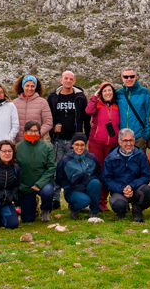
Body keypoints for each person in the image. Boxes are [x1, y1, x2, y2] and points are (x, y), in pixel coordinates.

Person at [47, 71, 90, 209]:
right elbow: (48, 117)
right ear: (61, 80)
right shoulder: (53, 97)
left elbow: (86, 118)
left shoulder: (80, 97)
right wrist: (53, 128)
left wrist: (86, 137)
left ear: (74, 81)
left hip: (75, 141)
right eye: (66, 78)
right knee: (56, 170)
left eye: (71, 79)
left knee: (77, 170)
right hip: (58, 140)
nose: (68, 81)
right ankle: (55, 200)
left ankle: (78, 199)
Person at [101, 129, 150, 222]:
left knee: (149, 191)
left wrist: (131, 186)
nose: (129, 143)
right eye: (125, 140)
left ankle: (137, 209)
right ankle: (122, 210)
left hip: (136, 188)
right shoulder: (110, 158)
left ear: (134, 140)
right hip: (119, 190)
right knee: (119, 205)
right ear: (119, 142)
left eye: (131, 140)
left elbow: (147, 175)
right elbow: (106, 179)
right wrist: (122, 188)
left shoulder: (141, 155)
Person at [85, 82, 120, 212]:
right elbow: (88, 111)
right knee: (96, 171)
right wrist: (94, 97)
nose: (107, 93)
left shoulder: (117, 106)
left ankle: (104, 201)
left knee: (108, 172)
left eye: (109, 90)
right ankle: (96, 201)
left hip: (112, 144)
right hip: (96, 143)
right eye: (104, 91)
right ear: (100, 93)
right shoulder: (97, 105)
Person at [16, 120, 56, 223]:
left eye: (36, 131)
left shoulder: (47, 147)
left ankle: (45, 210)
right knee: (27, 219)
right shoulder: (17, 148)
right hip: (26, 185)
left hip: (43, 183)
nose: (33, 133)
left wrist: (39, 184)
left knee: (48, 192)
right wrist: (21, 186)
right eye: (30, 130)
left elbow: (51, 167)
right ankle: (33, 205)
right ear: (25, 131)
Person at [56, 133, 102, 219]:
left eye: (82, 145)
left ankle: (94, 211)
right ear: (72, 145)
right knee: (85, 201)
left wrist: (90, 180)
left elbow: (97, 171)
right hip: (72, 190)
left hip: (87, 187)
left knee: (96, 183)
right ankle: (73, 208)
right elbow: (60, 178)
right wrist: (70, 186)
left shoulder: (92, 158)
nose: (79, 148)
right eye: (77, 145)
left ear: (85, 145)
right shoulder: (65, 161)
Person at [116, 67, 150, 152]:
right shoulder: (119, 94)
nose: (129, 79)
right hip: (123, 138)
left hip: (139, 137)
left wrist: (146, 136)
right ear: (122, 78)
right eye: (126, 77)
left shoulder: (145, 93)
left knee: (138, 160)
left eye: (131, 76)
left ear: (136, 77)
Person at [12, 75, 53, 143]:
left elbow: (48, 123)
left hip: (36, 143)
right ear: (23, 86)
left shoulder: (42, 102)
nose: (30, 88)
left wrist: (38, 134)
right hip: (18, 143)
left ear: (35, 87)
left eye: (32, 86)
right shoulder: (14, 103)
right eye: (27, 86)